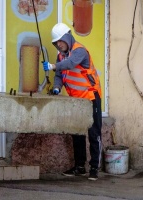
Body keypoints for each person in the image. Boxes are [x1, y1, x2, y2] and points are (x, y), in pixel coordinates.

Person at [43, 23, 102, 181]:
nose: (58, 44)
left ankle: (95, 167)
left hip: (90, 97)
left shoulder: (79, 51)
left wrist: (53, 66)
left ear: (68, 38)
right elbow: (59, 75)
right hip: (75, 99)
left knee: (94, 132)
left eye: (60, 41)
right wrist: (56, 87)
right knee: (77, 132)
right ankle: (80, 166)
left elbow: (69, 64)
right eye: (56, 43)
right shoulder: (61, 55)